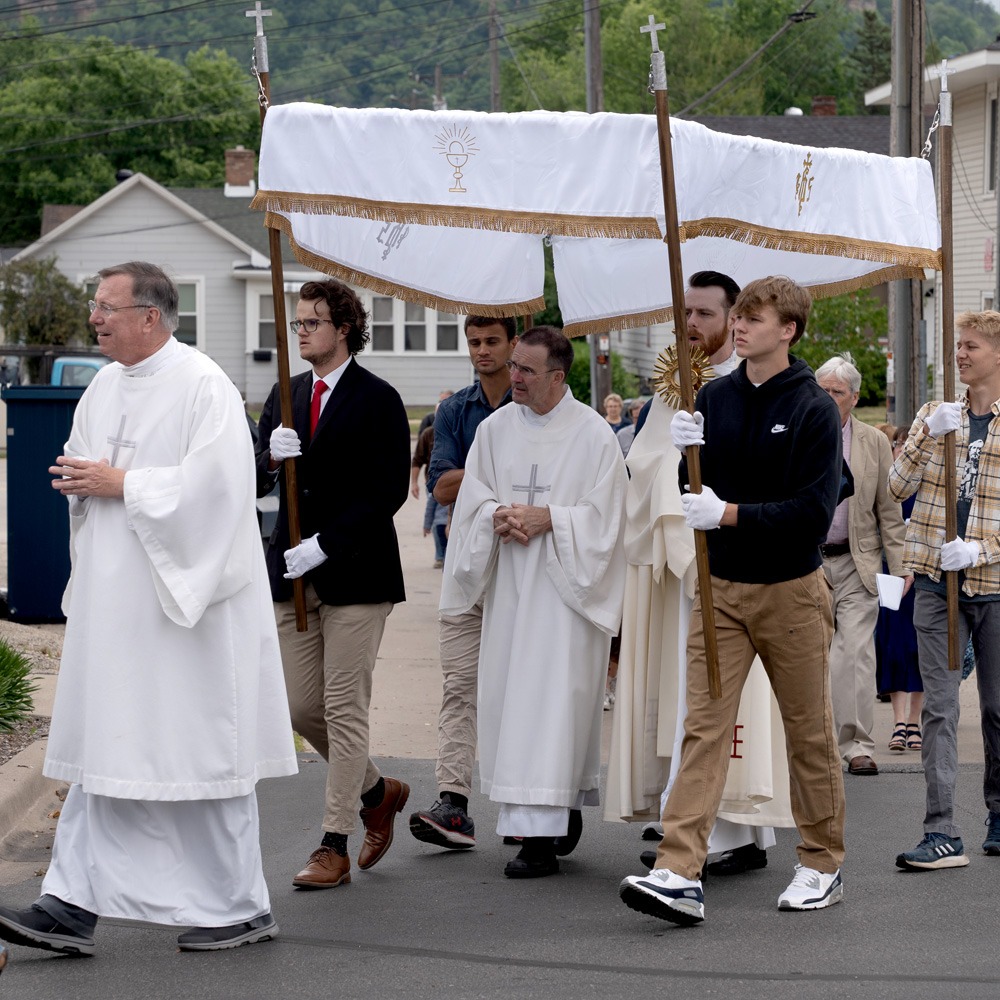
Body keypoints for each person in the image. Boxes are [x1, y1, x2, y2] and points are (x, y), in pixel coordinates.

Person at [0, 262, 297, 957]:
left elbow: (222, 490)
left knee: (199, 756)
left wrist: (124, 483)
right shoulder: (104, 385)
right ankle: (71, 902)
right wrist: (83, 481)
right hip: (116, 605)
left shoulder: (203, 385)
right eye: (94, 306)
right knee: (107, 748)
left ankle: (240, 905)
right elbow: (84, 467)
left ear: (150, 317)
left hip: (185, 611)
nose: (95, 318)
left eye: (107, 307)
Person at [619, 276, 848, 925]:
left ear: (789, 330)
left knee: (808, 732)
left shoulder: (812, 407)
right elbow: (696, 490)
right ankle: (678, 869)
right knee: (704, 729)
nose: (740, 326)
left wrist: (727, 513)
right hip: (719, 588)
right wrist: (685, 455)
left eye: (754, 317)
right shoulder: (712, 399)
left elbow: (811, 515)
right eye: (739, 316)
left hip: (791, 592)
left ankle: (822, 862)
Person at [606, 271, 792, 879]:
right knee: (686, 696)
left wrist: (694, 484)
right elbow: (641, 467)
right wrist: (665, 471)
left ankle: (730, 831)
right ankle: (688, 818)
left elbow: (759, 475)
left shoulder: (745, 385)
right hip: (675, 569)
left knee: (724, 702)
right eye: (685, 312)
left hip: (731, 567)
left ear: (733, 320)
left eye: (705, 314)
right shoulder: (671, 389)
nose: (691, 324)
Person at [441, 326, 628, 877]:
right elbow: (471, 499)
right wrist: (494, 515)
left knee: (553, 706)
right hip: (511, 589)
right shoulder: (495, 429)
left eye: (526, 369)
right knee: (512, 700)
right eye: (514, 366)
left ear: (557, 376)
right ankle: (541, 816)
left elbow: (609, 519)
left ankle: (541, 835)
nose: (514, 376)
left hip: (566, 596)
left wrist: (553, 519)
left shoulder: (593, 435)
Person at [255, 278, 411, 890]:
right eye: (298, 323)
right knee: (302, 706)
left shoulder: (379, 399)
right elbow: (255, 478)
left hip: (357, 573)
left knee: (345, 709)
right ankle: (377, 792)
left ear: (344, 329)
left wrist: (328, 543)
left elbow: (388, 490)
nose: (302, 332)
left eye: (312, 322)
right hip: (293, 574)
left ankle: (334, 842)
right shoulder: (286, 393)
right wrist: (270, 457)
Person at [891, 309, 1000, 871]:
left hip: (995, 585)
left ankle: (999, 814)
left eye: (972, 346)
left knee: (997, 708)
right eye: (958, 345)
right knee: (939, 706)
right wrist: (927, 436)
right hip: (937, 583)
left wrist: (981, 550)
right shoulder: (935, 415)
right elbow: (896, 487)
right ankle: (941, 831)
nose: (960, 354)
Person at [409, 315, 518, 849]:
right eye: (474, 342)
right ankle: (453, 802)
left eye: (492, 341)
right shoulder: (455, 410)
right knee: (459, 684)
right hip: (466, 565)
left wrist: (472, 480)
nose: (482, 350)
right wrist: (500, 478)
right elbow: (441, 487)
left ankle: (532, 806)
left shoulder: (534, 404)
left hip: (523, 564)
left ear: (514, 343)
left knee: (522, 685)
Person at [815, 353, 909, 777]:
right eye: (821, 390)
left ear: (854, 398)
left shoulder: (873, 442)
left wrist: (901, 565)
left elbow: (889, 510)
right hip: (806, 562)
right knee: (807, 656)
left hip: (858, 562)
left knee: (853, 653)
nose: (827, 398)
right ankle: (810, 745)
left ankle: (856, 746)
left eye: (836, 392)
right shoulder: (798, 430)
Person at [877, 426, 924, 751]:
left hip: (923, 575)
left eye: (911, 444)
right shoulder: (888, 485)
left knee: (920, 648)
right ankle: (897, 722)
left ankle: (914, 722)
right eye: (900, 444)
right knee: (893, 646)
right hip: (891, 574)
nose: (904, 449)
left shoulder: (928, 485)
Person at [411, 406, 448, 568]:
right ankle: (440, 555)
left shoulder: (457, 429)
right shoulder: (428, 434)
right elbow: (417, 459)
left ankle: (448, 556)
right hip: (433, 484)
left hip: (457, 484)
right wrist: (414, 483)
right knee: (438, 522)